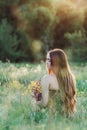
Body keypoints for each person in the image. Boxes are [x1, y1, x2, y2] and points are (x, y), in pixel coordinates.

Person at [34, 48, 76, 116]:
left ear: (56, 61)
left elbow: (44, 103)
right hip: (67, 115)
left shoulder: (47, 78)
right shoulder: (70, 78)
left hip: (51, 117)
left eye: (49, 60)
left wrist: (36, 102)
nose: (46, 62)